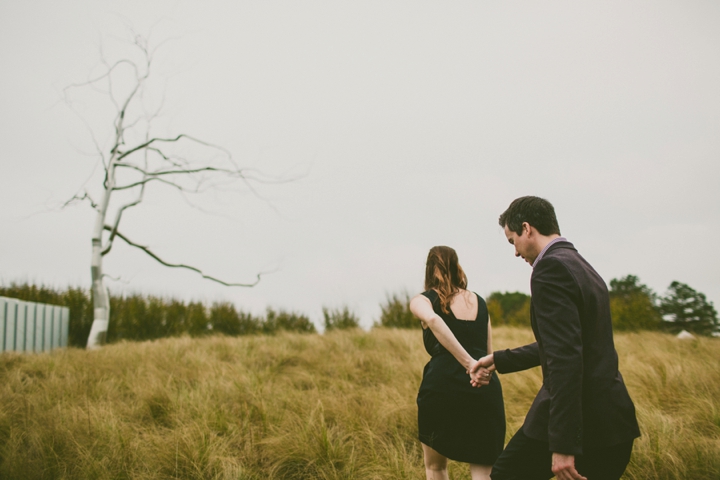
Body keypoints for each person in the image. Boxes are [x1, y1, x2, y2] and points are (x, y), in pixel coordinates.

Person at [470, 196, 640, 480]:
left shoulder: (549, 269)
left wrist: (562, 445)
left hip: (581, 424)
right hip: (613, 423)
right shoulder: (582, 265)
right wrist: (499, 359)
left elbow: (565, 357)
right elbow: (568, 342)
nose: (515, 253)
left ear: (527, 228)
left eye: (512, 241)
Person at [410, 246, 505, 480]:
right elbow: (489, 354)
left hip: (442, 387)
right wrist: (480, 369)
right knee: (485, 468)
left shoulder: (422, 300)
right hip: (483, 388)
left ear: (429, 268)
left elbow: (432, 319)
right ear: (456, 266)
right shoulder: (480, 302)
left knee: (436, 467)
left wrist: (467, 363)